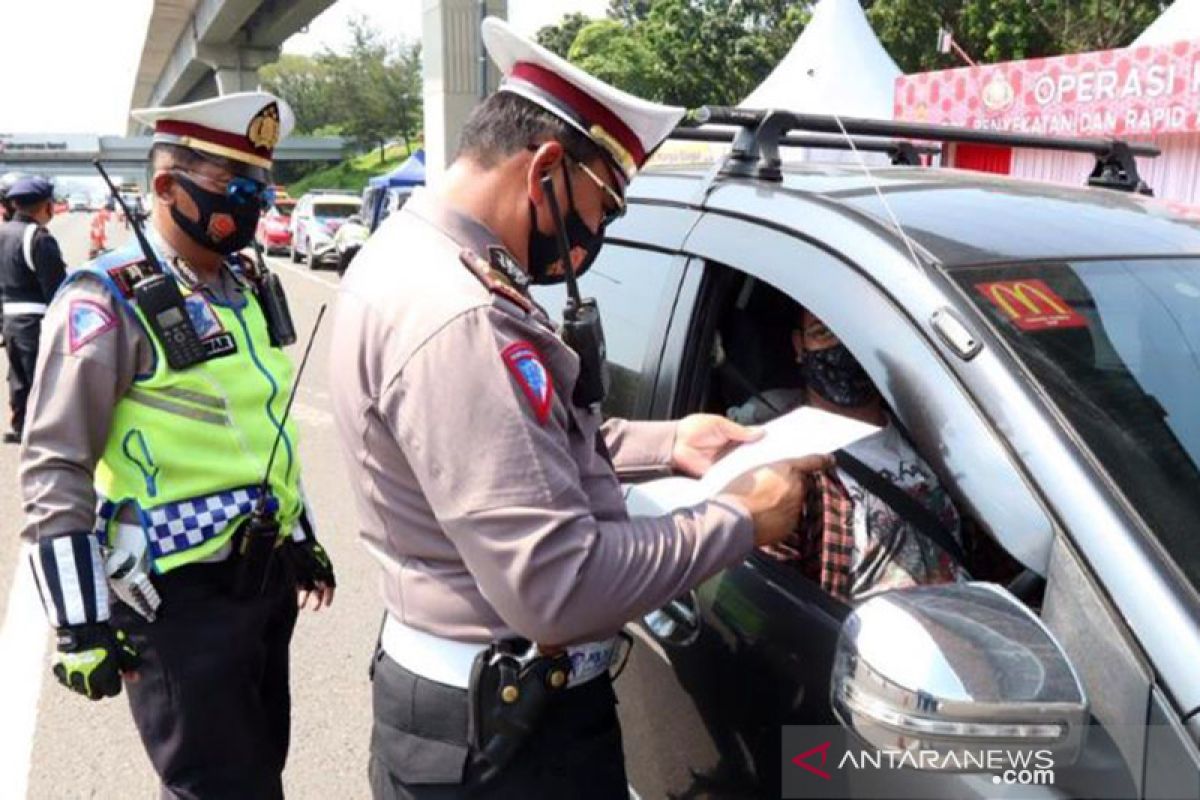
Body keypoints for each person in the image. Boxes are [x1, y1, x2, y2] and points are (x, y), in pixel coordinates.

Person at [330, 17, 830, 800]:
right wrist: (740, 519)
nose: (598, 233)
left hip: (473, 709)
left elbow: (517, 446)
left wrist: (673, 441)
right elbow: (557, 591)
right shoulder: (459, 314)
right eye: (606, 207)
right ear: (547, 171)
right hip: (507, 741)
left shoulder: (416, 258)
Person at [18, 91, 336, 800]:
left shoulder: (246, 282)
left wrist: (302, 533)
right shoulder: (106, 299)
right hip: (175, 595)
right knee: (215, 787)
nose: (253, 205)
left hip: (261, 581)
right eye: (236, 188)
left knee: (258, 772)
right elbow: (55, 462)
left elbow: (263, 426)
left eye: (261, 187)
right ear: (167, 187)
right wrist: (78, 623)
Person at [729, 307, 969, 601]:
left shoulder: (933, 435)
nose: (841, 346)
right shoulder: (787, 464)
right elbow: (774, 605)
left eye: (851, 330)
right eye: (823, 333)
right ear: (799, 346)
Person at [0, 175, 66, 443]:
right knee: (41, 375)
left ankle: (20, 425)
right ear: (46, 206)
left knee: (18, 374)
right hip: (36, 319)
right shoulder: (38, 238)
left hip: (9, 318)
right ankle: (42, 430)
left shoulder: (3, 233)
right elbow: (57, 288)